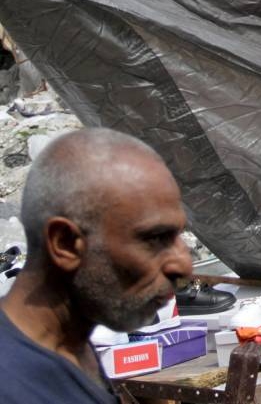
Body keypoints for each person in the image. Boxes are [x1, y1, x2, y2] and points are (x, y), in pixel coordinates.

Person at [0, 128, 193, 404]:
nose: (183, 266)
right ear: (65, 243)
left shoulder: (71, 344)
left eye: (177, 236)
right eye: (154, 239)